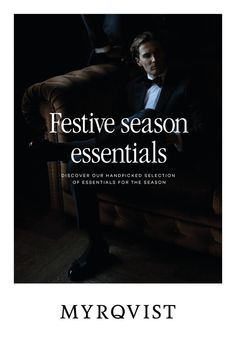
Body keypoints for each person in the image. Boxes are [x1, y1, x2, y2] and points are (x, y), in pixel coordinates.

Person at [29, 32, 205, 281]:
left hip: (166, 155)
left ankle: (67, 148)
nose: (155, 59)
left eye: (158, 52)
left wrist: (166, 132)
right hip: (128, 155)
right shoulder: (131, 88)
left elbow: (202, 130)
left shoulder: (188, 84)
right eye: (147, 55)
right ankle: (96, 248)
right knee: (79, 163)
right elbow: (115, 130)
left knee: (148, 116)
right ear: (138, 61)